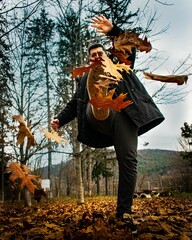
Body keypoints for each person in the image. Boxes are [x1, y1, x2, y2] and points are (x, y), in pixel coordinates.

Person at [51, 15, 165, 233]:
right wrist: (59, 118)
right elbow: (73, 103)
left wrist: (113, 31)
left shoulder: (121, 64)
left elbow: (127, 46)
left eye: (99, 53)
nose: (96, 56)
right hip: (98, 117)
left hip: (126, 117)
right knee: (94, 99)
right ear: (90, 59)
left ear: (107, 55)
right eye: (92, 55)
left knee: (129, 161)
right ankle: (99, 99)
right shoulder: (84, 79)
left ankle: (124, 212)